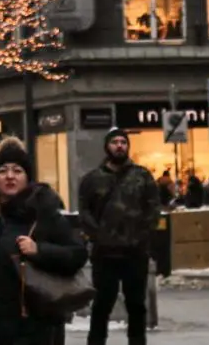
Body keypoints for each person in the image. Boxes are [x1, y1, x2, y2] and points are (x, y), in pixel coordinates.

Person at [0, 142, 87, 345]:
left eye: (17, 171)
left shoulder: (45, 212)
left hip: (32, 326)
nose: (10, 176)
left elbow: (77, 254)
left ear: (27, 177)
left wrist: (39, 250)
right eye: (3, 171)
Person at [77, 127, 158, 345]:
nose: (119, 145)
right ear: (107, 146)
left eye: (123, 141)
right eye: (115, 142)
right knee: (102, 304)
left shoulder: (142, 176)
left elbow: (153, 209)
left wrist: (141, 235)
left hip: (135, 253)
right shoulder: (92, 179)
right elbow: (84, 212)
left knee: (137, 306)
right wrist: (99, 235)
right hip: (105, 254)